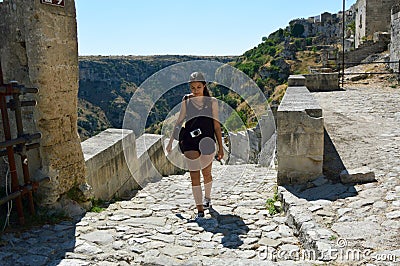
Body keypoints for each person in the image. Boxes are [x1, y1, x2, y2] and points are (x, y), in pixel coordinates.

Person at [166, 72, 224, 220]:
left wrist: (221, 148)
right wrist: (171, 141)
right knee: (194, 175)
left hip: (207, 142)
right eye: (193, 87)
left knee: (206, 174)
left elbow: (216, 126)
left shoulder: (212, 102)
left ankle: (207, 199)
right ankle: (199, 208)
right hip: (190, 141)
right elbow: (179, 122)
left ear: (204, 86)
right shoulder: (186, 100)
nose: (196, 90)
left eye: (198, 87)